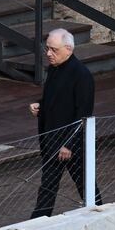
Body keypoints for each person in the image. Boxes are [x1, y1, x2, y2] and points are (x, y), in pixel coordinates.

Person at [30, 29, 101, 218]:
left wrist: (69, 144)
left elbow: (83, 113)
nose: (48, 54)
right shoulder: (54, 69)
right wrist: (41, 105)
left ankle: (100, 213)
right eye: (47, 49)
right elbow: (55, 99)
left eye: (53, 50)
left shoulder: (82, 75)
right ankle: (37, 222)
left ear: (68, 49)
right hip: (52, 140)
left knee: (85, 185)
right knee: (48, 186)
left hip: (71, 145)